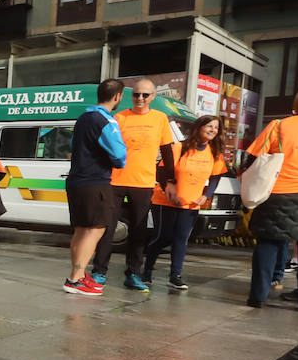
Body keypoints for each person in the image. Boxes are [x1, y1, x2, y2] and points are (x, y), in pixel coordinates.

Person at [93, 79, 173, 291]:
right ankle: (99, 272)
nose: (140, 98)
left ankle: (133, 274)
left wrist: (170, 180)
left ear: (153, 97)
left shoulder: (160, 118)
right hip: (115, 181)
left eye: (145, 95)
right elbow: (105, 147)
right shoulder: (119, 117)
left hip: (143, 182)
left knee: (138, 232)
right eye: (136, 94)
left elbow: (167, 151)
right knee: (107, 229)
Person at [245, 82, 298, 310]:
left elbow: (252, 158)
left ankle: (258, 296)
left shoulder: (279, 125)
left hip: (278, 193)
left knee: (268, 243)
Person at [144, 115, 227, 291]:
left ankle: (175, 276)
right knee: (163, 236)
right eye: (209, 126)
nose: (213, 130)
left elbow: (216, 176)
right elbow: (160, 172)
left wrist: (207, 195)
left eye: (216, 128)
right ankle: (146, 271)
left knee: (181, 239)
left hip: (190, 203)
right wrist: (169, 188)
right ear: (199, 127)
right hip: (165, 201)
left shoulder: (215, 152)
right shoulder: (179, 148)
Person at [63, 79, 128, 295]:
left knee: (81, 230)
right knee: (95, 229)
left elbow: (73, 147)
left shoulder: (83, 118)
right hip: (96, 182)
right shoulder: (106, 121)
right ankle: (75, 279)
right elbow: (119, 155)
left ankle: (77, 276)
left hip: (76, 180)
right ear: (117, 96)